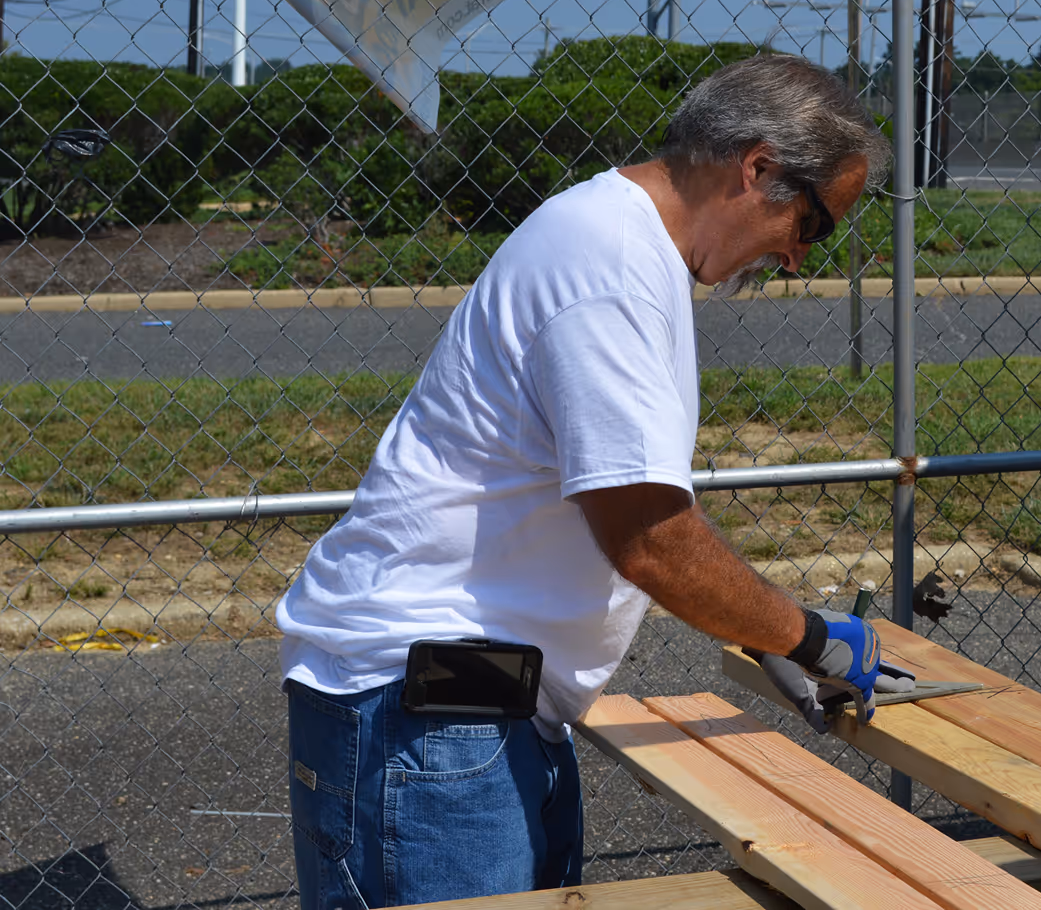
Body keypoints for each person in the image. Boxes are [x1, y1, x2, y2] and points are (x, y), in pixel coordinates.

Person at [274, 53, 894, 909]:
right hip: (427, 719)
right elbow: (652, 541)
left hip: (474, 706)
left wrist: (766, 635)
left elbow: (638, 507)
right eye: (814, 226)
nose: (796, 259)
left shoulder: (625, 246)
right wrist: (807, 638)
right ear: (757, 169)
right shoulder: (611, 269)